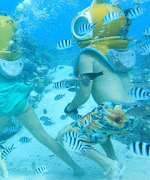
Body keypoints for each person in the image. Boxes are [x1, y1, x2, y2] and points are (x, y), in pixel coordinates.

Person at [0, 12, 84, 179]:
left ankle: (5, 174)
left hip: (2, 104)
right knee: (44, 136)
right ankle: (76, 167)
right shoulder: (16, 54)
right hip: (21, 101)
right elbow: (17, 78)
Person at [57, 0, 140, 179]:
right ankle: (115, 160)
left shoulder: (88, 53)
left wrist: (71, 107)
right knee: (101, 129)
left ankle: (109, 166)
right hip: (134, 111)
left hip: (112, 113)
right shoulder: (120, 49)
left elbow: (84, 93)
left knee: (64, 136)